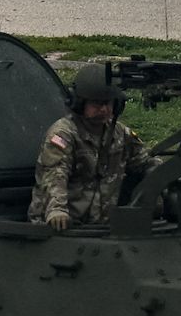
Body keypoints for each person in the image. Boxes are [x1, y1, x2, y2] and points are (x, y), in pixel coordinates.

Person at [29, 60, 150, 229]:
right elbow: (55, 175)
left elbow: (144, 163)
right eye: (96, 104)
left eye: (108, 103)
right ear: (79, 103)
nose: (104, 110)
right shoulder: (64, 134)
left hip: (100, 226)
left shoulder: (120, 133)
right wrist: (56, 210)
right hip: (61, 227)